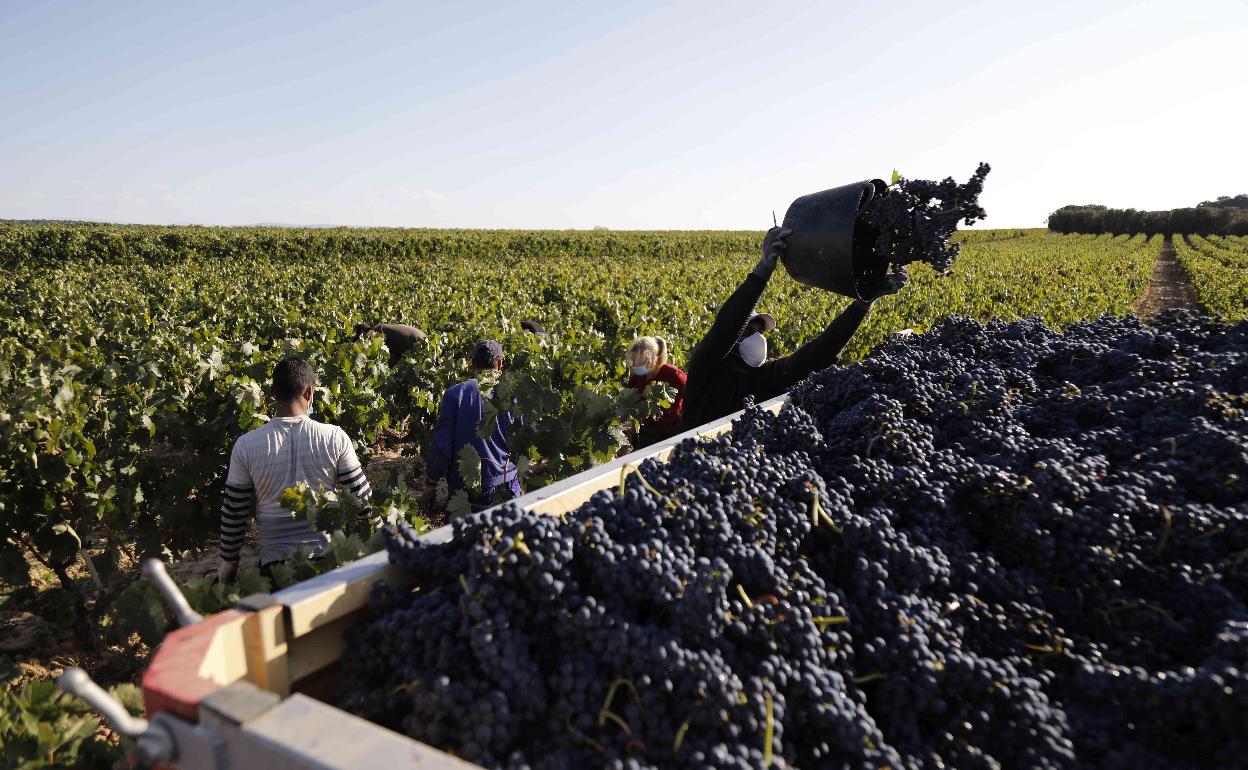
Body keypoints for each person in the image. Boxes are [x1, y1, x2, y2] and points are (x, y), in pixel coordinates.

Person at [679, 226, 907, 430]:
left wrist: (863, 305)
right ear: (734, 338)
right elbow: (727, 326)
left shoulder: (764, 376)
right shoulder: (706, 366)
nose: (756, 338)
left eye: (759, 332)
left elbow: (816, 355)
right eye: (748, 331)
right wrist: (763, 269)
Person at [217, 357, 373, 584]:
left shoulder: (246, 445)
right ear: (310, 392)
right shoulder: (334, 437)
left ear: (272, 393)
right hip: (326, 562)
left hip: (275, 569)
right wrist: (380, 539)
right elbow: (362, 499)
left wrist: (229, 562)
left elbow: (234, 512)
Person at [423, 340, 522, 513]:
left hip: (466, 490)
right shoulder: (514, 395)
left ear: (473, 364)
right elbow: (523, 443)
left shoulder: (455, 394)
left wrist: (431, 482)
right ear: (500, 364)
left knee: (463, 531)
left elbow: (441, 447)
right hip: (506, 485)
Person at [625, 336, 687, 448]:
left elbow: (693, 399)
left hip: (671, 433)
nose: (637, 365)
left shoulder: (675, 377)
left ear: (654, 358)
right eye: (634, 361)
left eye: (641, 361)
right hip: (646, 432)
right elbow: (632, 407)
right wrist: (634, 436)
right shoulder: (636, 377)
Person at [353, 322, 426, 365]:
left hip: (414, 343)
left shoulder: (374, 332)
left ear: (363, 332)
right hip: (424, 338)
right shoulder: (382, 326)